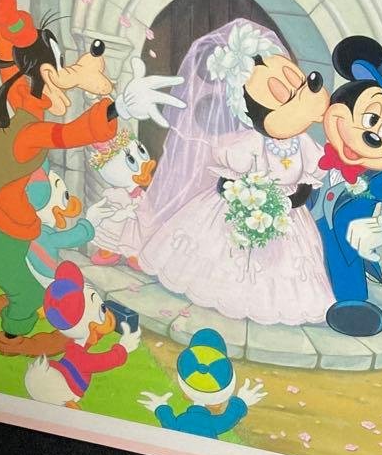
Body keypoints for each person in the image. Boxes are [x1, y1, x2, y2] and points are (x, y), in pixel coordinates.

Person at [134, 19, 335, 326]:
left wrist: (288, 202)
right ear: (250, 112)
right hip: (245, 208)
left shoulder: (304, 145)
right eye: (284, 94)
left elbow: (306, 183)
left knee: (287, 267)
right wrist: (248, 200)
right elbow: (227, 182)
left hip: (287, 217)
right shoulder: (249, 144)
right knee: (227, 254)